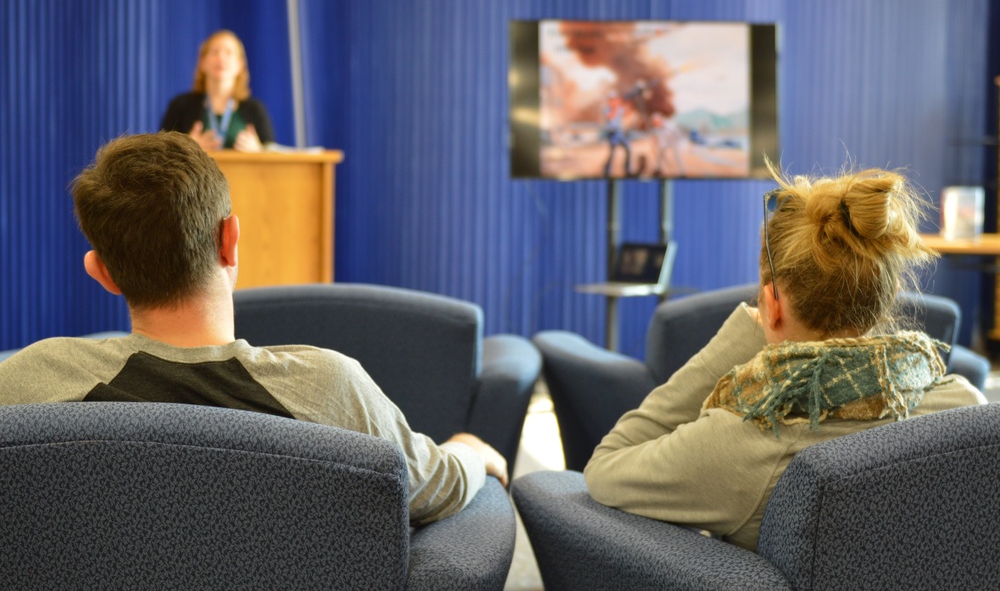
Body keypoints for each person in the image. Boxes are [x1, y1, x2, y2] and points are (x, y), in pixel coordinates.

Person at [0, 132, 506, 526]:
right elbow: (435, 489)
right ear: (230, 240)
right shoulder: (329, 387)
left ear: (102, 272)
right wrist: (470, 450)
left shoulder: (27, 382)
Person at [583, 163, 987, 552]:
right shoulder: (966, 409)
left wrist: (743, 335)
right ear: (886, 299)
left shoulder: (739, 445)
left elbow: (605, 468)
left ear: (771, 303)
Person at [160, 30, 275, 152]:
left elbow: (274, 158)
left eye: (229, 53)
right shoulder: (180, 106)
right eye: (215, 52)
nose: (221, 58)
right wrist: (187, 149)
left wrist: (258, 150)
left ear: (240, 65)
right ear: (203, 63)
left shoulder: (255, 109)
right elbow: (161, 155)